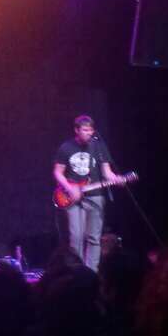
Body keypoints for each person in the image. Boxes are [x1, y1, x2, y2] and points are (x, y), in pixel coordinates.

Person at [53, 115, 125, 272]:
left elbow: (107, 172)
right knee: (76, 237)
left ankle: (91, 274)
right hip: (73, 197)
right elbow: (58, 173)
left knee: (94, 238)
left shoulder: (99, 146)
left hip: (95, 195)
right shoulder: (66, 147)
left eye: (91, 130)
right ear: (76, 130)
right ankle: (76, 272)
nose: (88, 133)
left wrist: (117, 179)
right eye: (85, 130)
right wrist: (69, 187)